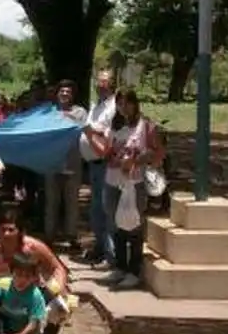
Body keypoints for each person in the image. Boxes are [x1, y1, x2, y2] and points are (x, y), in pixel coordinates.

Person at [83, 90, 163, 291]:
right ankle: (120, 266)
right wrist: (91, 137)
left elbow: (158, 153)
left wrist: (135, 160)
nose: (124, 107)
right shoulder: (114, 126)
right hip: (112, 180)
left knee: (134, 225)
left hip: (134, 183)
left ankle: (133, 271)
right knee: (115, 223)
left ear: (136, 104)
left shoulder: (147, 126)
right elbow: (106, 153)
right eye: (120, 104)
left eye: (128, 103)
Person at [0, 204, 71, 334]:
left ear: (20, 231)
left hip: (35, 294)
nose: (6, 234)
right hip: (10, 299)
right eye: (3, 230)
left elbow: (58, 269)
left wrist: (54, 289)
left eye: (11, 230)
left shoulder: (33, 247)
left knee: (66, 300)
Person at [80, 70, 117, 267]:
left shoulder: (114, 106)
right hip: (93, 164)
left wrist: (90, 130)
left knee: (106, 208)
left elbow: (108, 131)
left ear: (112, 84)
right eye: (98, 81)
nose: (100, 85)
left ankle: (111, 255)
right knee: (95, 210)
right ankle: (100, 247)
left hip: (106, 164)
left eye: (104, 82)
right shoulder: (96, 105)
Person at [44, 80, 87, 248]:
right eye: (61, 91)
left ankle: (72, 236)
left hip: (73, 164)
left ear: (72, 95)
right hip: (52, 164)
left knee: (72, 204)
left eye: (68, 92)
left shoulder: (80, 112)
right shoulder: (49, 112)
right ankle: (49, 236)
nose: (64, 94)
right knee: (51, 203)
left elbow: (82, 129)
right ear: (57, 94)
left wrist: (64, 118)